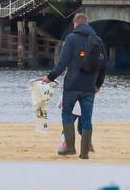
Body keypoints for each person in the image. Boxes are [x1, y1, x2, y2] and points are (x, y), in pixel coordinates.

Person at [40, 12, 106, 159]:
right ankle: (84, 154)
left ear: (75, 24)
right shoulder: (97, 40)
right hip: (89, 87)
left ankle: (70, 146)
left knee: (67, 114)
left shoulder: (71, 38)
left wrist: (50, 77)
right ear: (87, 24)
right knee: (87, 119)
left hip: (72, 85)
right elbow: (103, 66)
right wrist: (98, 84)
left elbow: (62, 63)